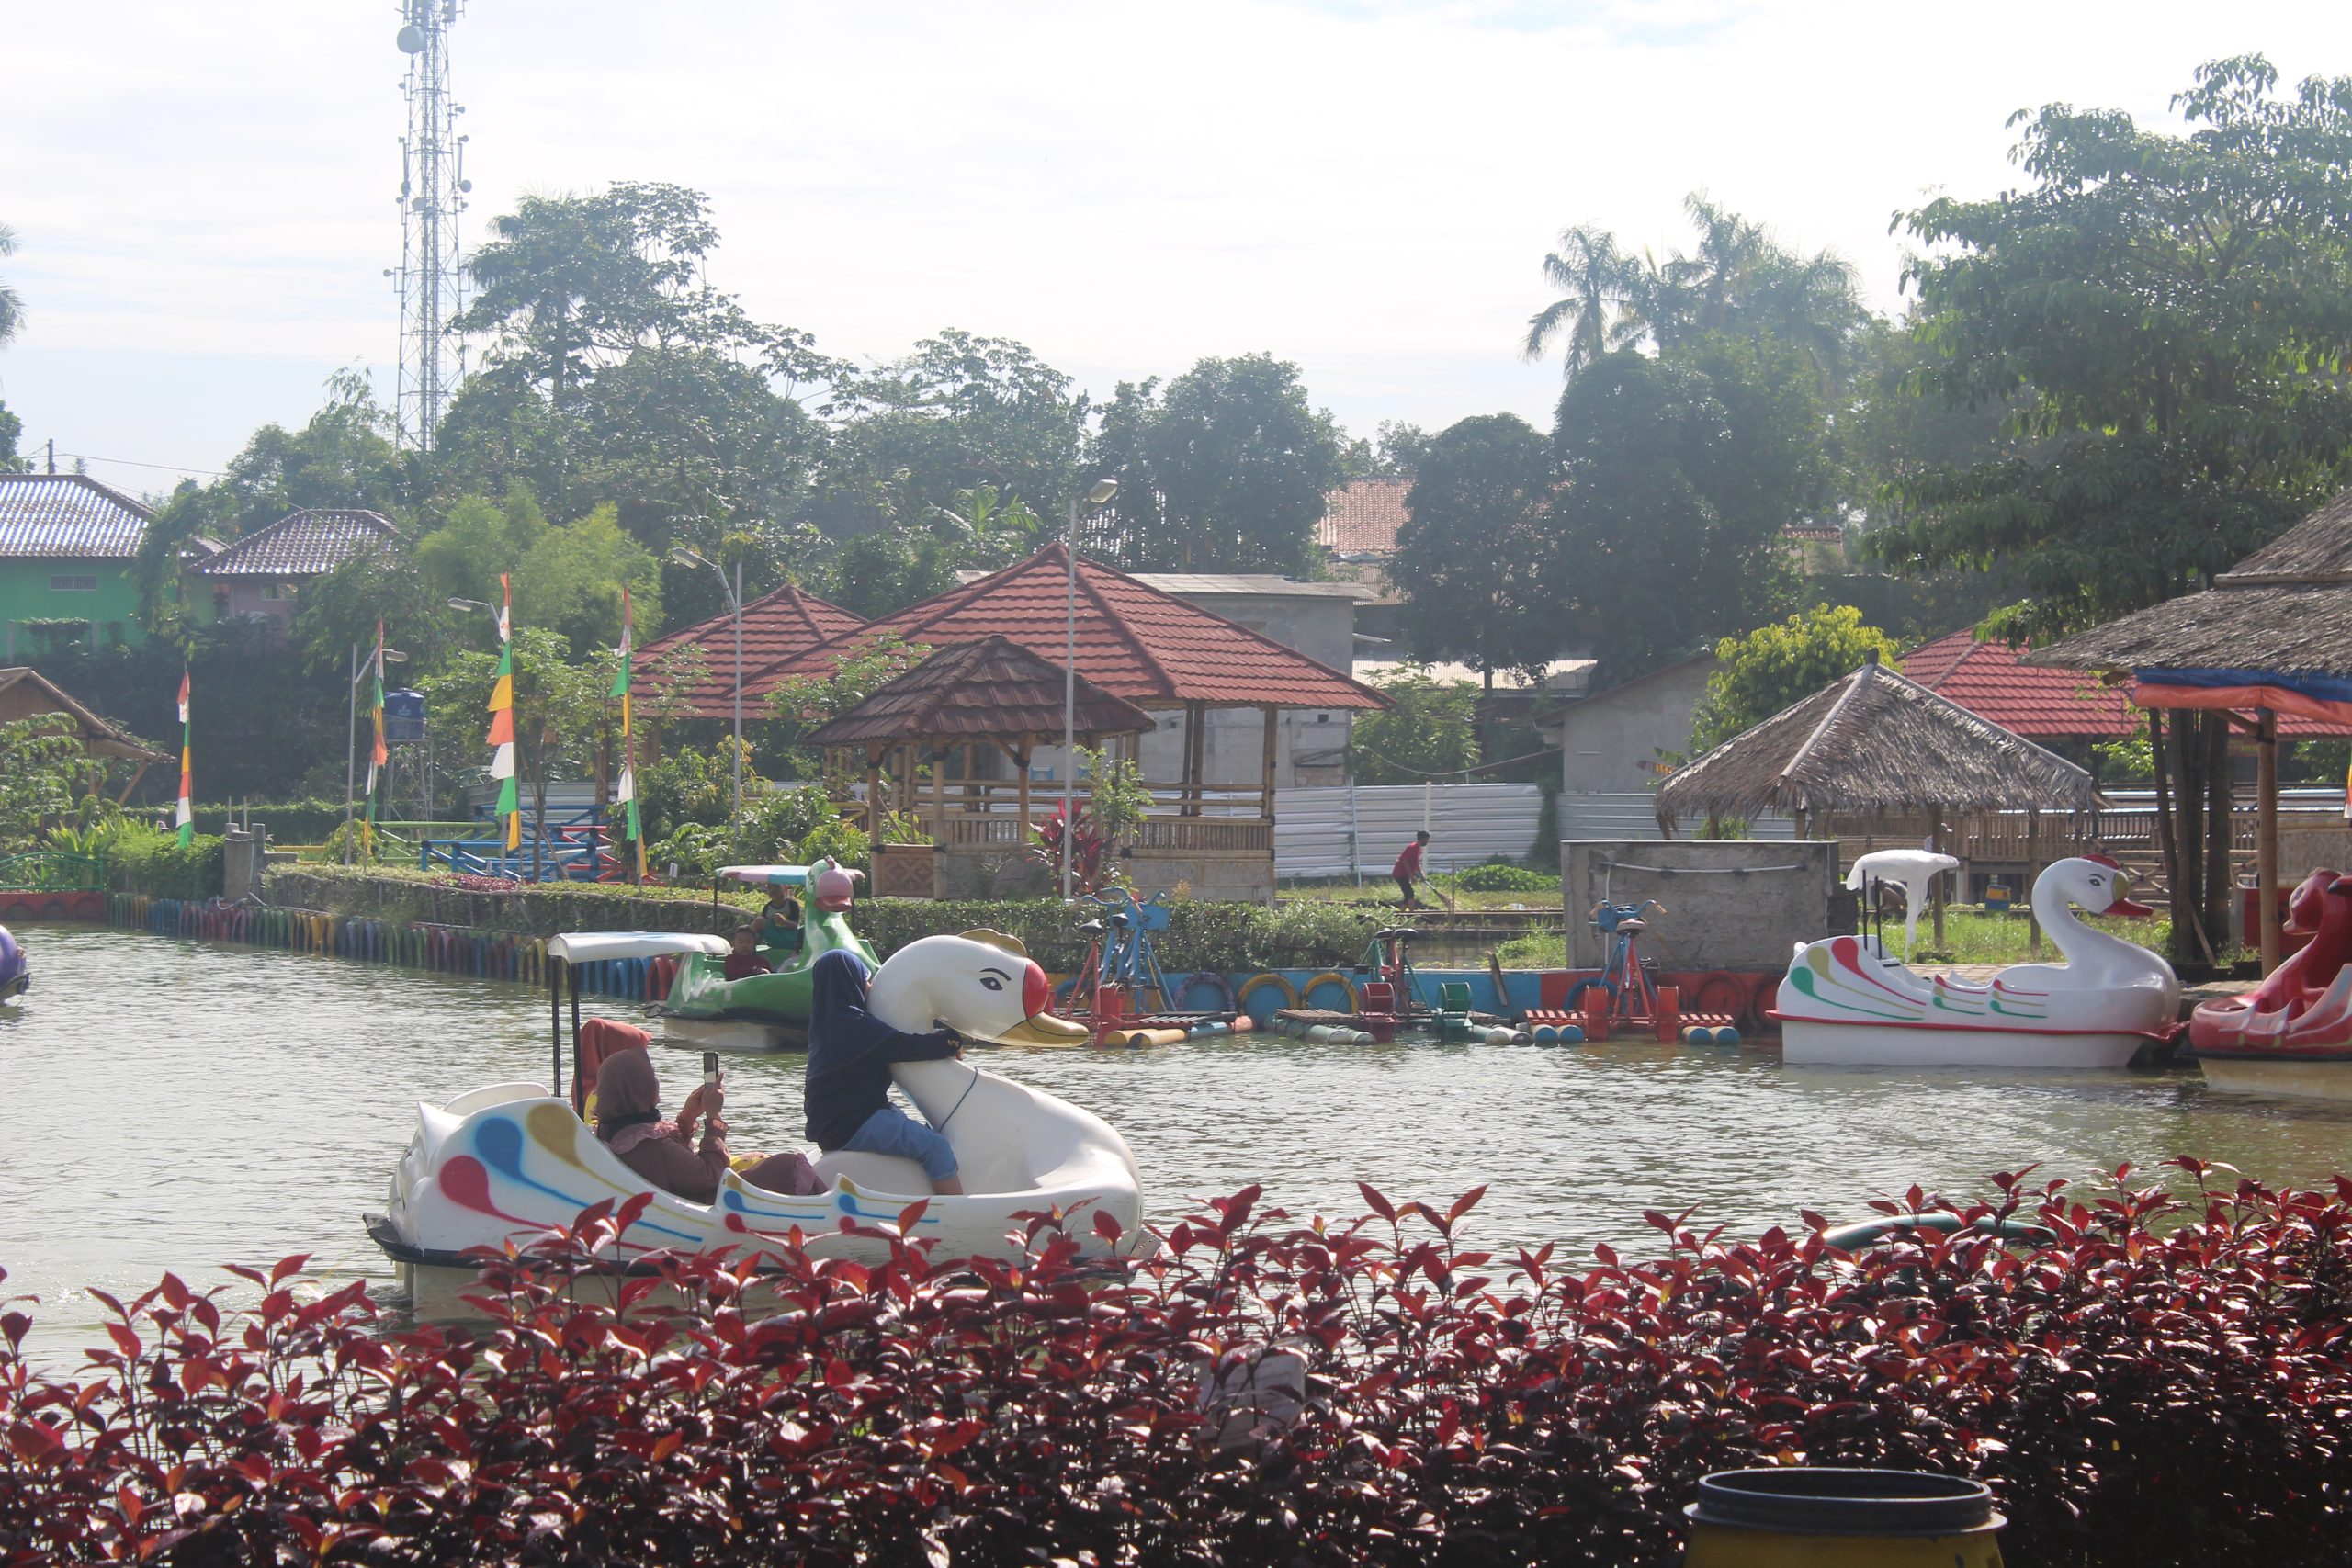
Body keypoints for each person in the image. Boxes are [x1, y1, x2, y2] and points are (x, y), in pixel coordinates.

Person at [802, 949, 967, 1195]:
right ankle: (957, 1217)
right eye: (866, 980)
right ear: (853, 983)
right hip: (855, 1124)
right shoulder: (858, 1027)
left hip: (832, 1127)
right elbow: (910, 1047)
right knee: (936, 1147)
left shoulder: (823, 1028)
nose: (869, 987)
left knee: (916, 1129)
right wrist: (951, 1039)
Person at [590, 1033, 820, 1202]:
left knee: (769, 1162)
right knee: (788, 1165)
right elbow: (713, 1175)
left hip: (694, 1196)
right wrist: (714, 1117)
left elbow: (677, 1161)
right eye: (651, 1078)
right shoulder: (647, 1143)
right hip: (709, 1204)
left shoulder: (620, 1131)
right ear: (638, 1088)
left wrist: (689, 1115)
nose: (656, 1083)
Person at [758, 889, 805, 960]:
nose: (773, 890)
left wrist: (785, 921)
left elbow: (796, 926)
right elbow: (764, 930)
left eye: (776, 887)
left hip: (791, 938)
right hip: (775, 938)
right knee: (760, 921)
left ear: (784, 889)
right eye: (770, 887)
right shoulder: (767, 907)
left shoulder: (792, 904)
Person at [1393, 829, 1432, 910]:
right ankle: (1411, 914)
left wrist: (1421, 875)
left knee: (1408, 894)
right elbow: (1405, 862)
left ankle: (1402, 913)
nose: (1428, 842)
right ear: (1422, 839)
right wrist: (1411, 876)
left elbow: (1416, 863)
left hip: (1404, 874)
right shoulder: (1413, 847)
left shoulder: (1417, 849)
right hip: (1400, 873)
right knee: (1410, 894)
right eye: (1427, 839)